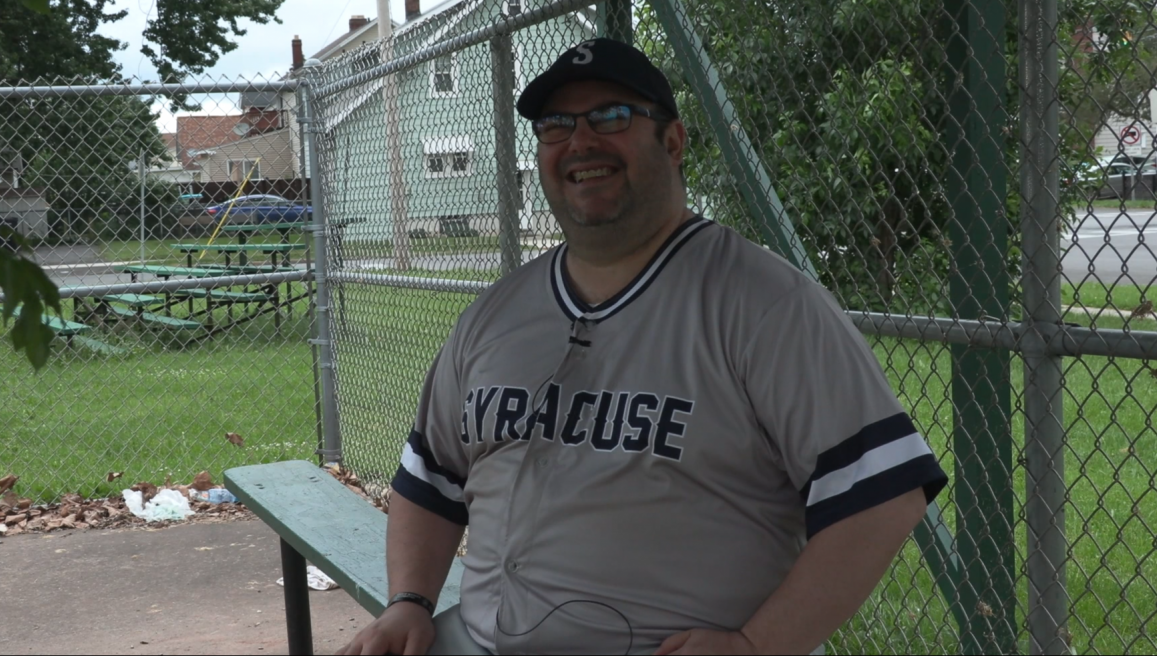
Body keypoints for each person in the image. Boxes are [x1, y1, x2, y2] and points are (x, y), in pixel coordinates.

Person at [340, 38, 948, 656]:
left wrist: (756, 645)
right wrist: (409, 602)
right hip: (477, 638)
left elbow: (882, 494)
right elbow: (430, 475)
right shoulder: (494, 314)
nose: (580, 141)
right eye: (556, 125)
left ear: (673, 141)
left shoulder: (766, 304)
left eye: (611, 116)